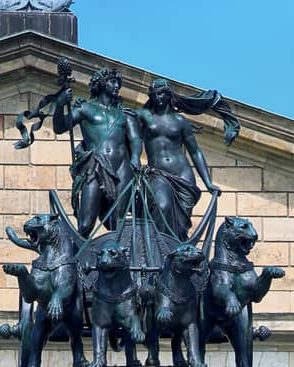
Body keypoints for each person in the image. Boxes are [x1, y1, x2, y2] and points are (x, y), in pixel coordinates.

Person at [133, 78, 224, 246]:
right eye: (154, 94)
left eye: (161, 93)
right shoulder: (143, 116)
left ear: (169, 95)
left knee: (181, 225)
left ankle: (175, 251)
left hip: (183, 176)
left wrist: (208, 183)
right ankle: (159, 249)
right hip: (158, 174)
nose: (158, 97)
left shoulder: (181, 122)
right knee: (162, 206)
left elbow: (195, 152)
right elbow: (120, 117)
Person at [53, 67, 140, 237]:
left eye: (118, 83)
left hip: (122, 167)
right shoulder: (86, 108)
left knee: (119, 221)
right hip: (95, 167)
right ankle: (75, 258)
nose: (117, 86)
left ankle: (118, 258)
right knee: (86, 223)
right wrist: (59, 105)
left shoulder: (124, 114)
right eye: (112, 82)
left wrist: (135, 158)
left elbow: (136, 138)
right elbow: (60, 127)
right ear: (101, 83)